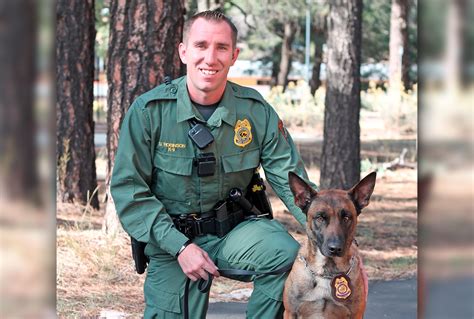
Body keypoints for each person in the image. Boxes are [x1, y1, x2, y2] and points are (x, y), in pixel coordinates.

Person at [111, 9, 315, 319]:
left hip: (235, 232)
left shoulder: (255, 112)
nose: (211, 57)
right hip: (171, 241)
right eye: (201, 45)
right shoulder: (149, 112)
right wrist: (180, 247)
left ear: (234, 55)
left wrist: (336, 245)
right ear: (183, 51)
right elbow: (129, 191)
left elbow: (294, 186)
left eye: (221, 48)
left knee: (286, 255)